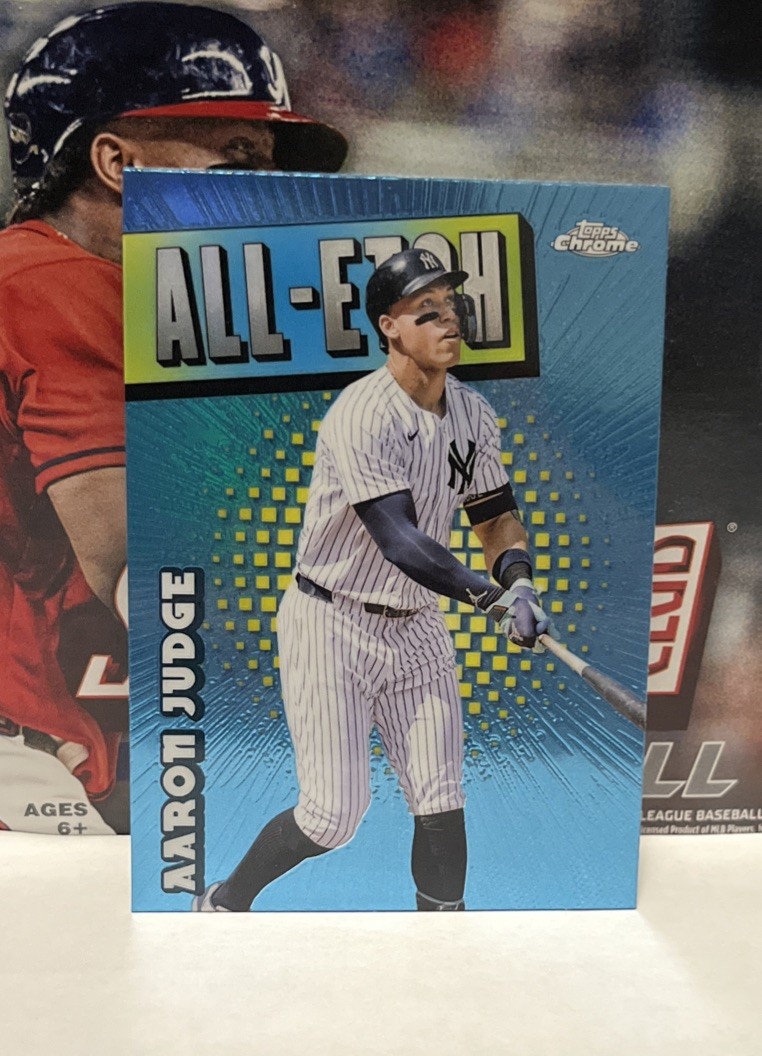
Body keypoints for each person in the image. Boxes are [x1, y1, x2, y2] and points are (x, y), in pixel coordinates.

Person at [0, 2, 347, 834]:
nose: (266, 187)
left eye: (268, 161)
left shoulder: (140, 296)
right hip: (32, 753)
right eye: (237, 155)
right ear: (116, 162)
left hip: (74, 726)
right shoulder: (56, 278)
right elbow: (141, 572)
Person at [195, 248, 550, 911]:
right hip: (332, 620)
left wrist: (521, 580)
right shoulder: (362, 413)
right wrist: (492, 599)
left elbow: (496, 518)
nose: (450, 319)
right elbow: (400, 540)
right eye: (427, 309)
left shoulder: (472, 413)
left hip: (417, 627)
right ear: (389, 327)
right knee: (331, 817)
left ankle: (441, 946)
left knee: (441, 800)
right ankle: (222, 902)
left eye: (451, 305)